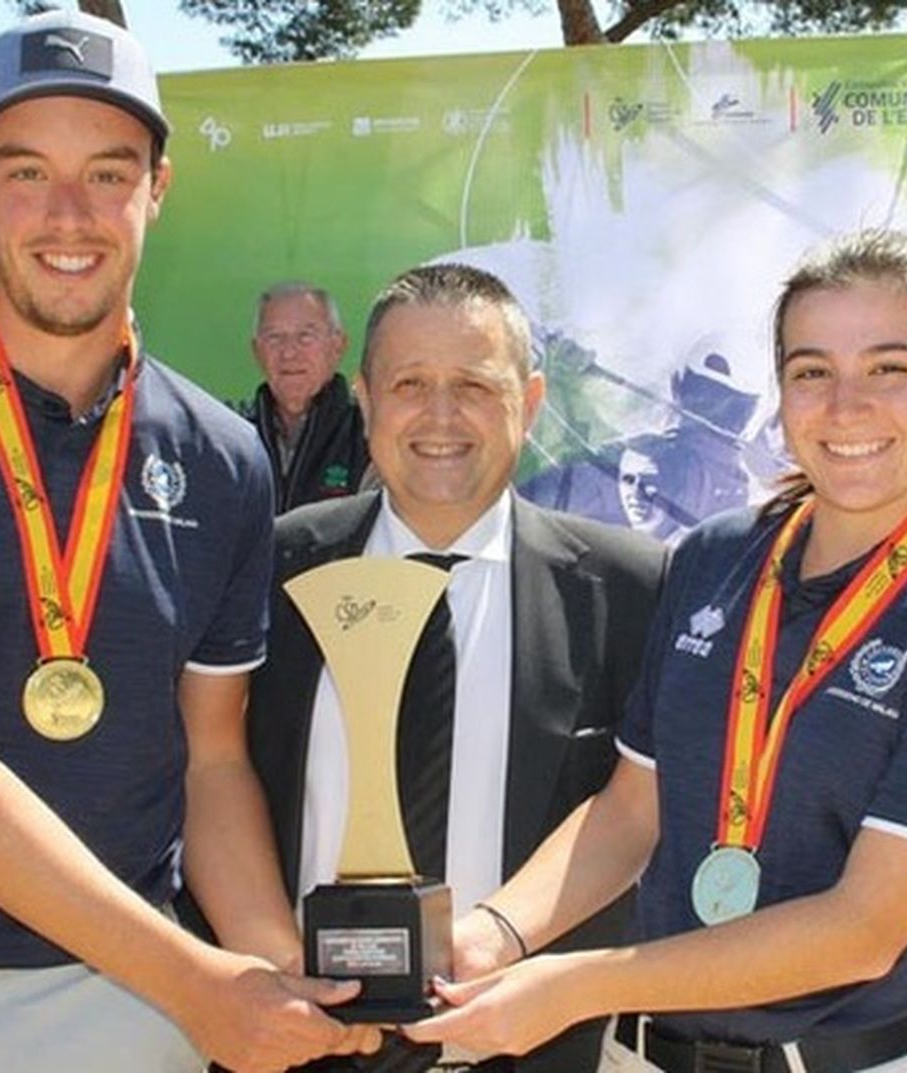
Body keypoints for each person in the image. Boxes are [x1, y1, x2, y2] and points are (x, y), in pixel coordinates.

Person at [0, 12, 375, 1072]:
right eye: (29, 171)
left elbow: (212, 757)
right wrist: (196, 978)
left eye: (108, 173)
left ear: (157, 189)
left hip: (120, 1005)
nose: (68, 215)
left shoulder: (222, 457)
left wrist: (278, 978)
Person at [403, 230, 907, 1073]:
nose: (845, 404)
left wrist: (574, 986)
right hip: (645, 1054)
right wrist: (494, 933)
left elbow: (863, 931)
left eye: (889, 367)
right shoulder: (715, 558)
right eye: (812, 370)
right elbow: (629, 812)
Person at [227, 263, 665, 1072]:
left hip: (527, 1054)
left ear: (530, 403)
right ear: (363, 397)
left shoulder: (631, 589)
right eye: (408, 384)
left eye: (474, 384)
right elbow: (217, 772)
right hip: (300, 1045)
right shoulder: (275, 566)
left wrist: (498, 940)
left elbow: (635, 808)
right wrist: (269, 964)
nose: (439, 415)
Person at [238, 281, 372, 512]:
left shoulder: (369, 433)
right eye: (274, 337)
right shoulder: (234, 435)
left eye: (305, 336)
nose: (289, 352)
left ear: (338, 346)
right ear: (256, 351)